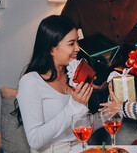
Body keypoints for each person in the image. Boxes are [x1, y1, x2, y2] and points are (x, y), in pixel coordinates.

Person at [16, 15, 93, 153]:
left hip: (81, 148)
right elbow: (35, 140)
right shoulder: (31, 82)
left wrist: (107, 115)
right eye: (71, 43)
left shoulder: (72, 76)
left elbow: (81, 126)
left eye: (77, 42)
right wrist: (74, 105)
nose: (77, 48)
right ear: (51, 49)